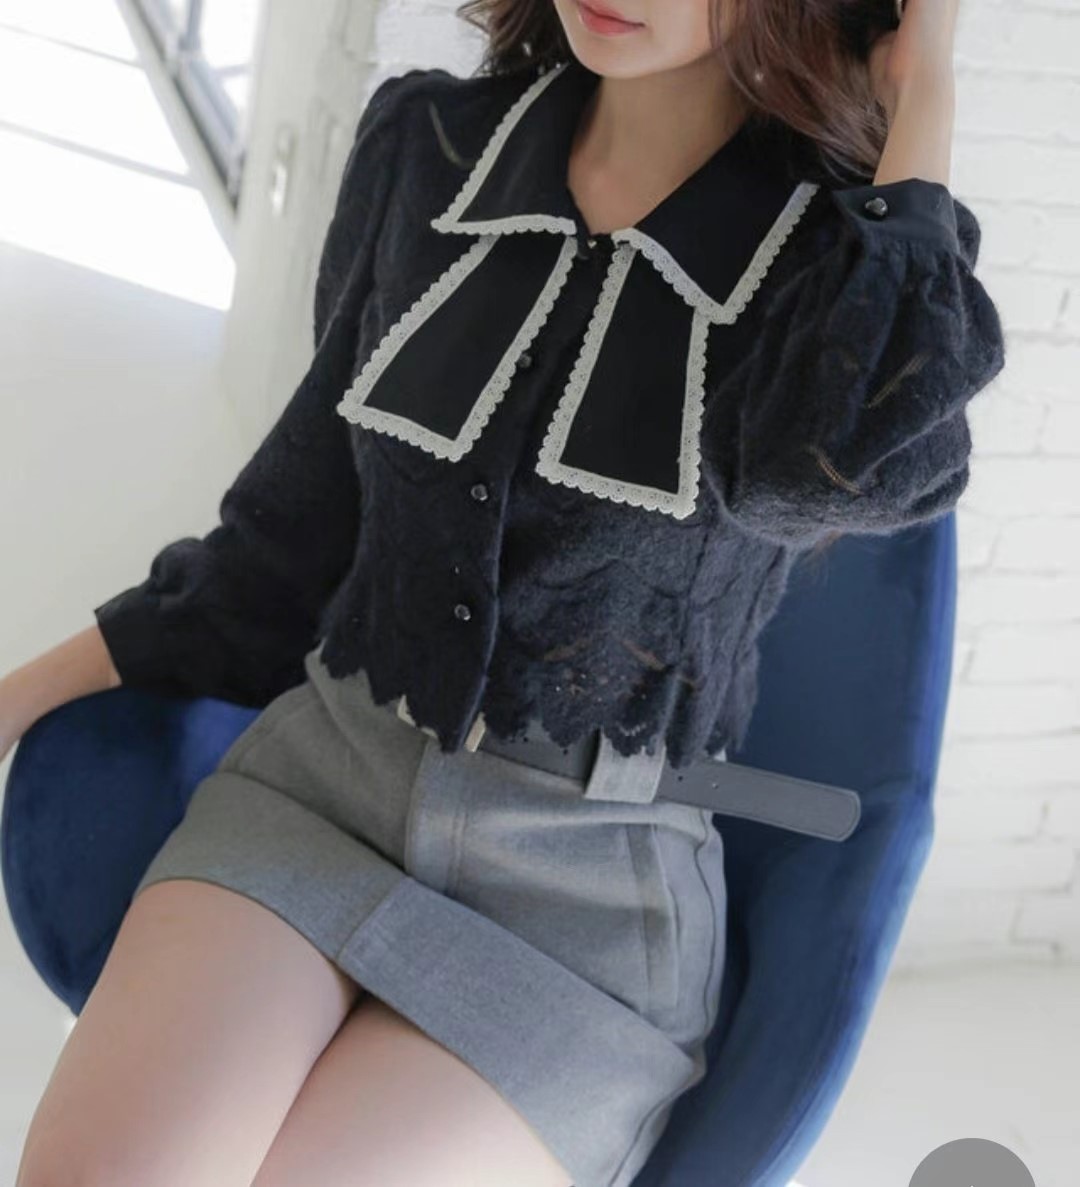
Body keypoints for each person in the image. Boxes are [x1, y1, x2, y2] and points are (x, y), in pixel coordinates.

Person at [3, 0, 1005, 1184]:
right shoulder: (427, 148)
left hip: (584, 904)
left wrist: (925, 84)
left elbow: (843, 461)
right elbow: (282, 545)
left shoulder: (834, 271)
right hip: (321, 793)